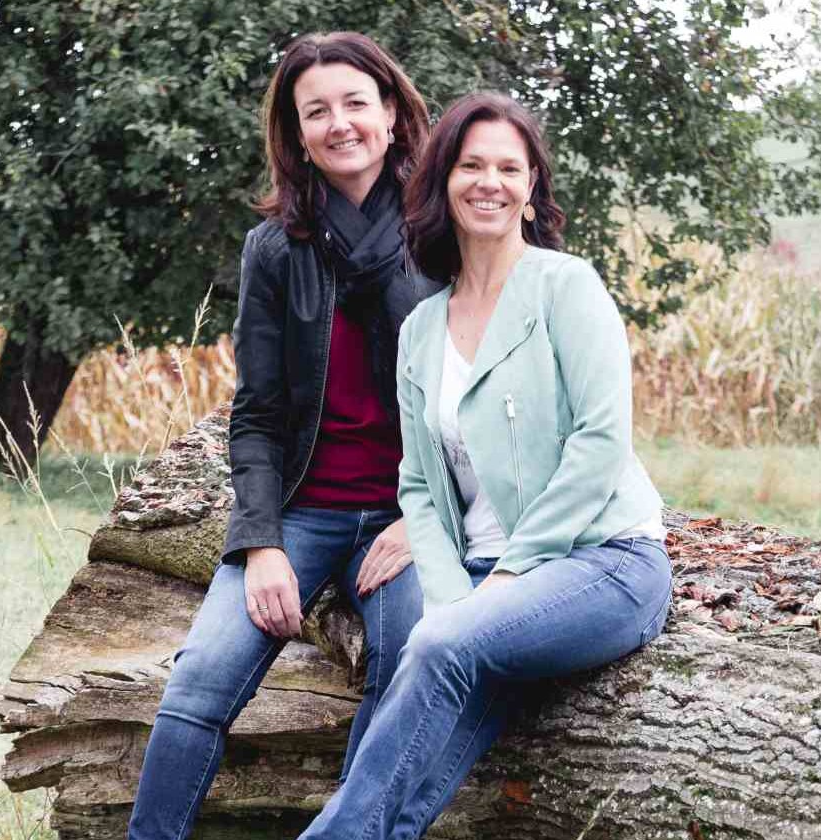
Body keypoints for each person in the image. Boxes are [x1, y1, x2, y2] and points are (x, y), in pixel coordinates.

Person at [298, 92, 674, 839]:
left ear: (532, 187)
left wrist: (504, 580)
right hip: (481, 580)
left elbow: (600, 444)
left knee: (440, 643)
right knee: (430, 670)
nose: (489, 182)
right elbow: (421, 486)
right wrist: (449, 592)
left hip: (604, 561)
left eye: (510, 167)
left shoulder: (567, 288)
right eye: (471, 165)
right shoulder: (424, 328)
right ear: (443, 180)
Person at [127, 33, 441, 840]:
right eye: (316, 111)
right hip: (302, 510)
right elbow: (259, 413)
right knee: (199, 682)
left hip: (412, 514)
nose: (339, 124)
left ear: (393, 115)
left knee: (405, 667)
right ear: (296, 134)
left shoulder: (442, 237)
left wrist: (425, 519)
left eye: (354, 104)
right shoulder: (274, 249)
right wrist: (261, 542)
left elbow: (479, 407)